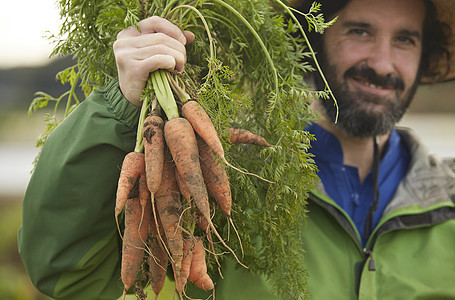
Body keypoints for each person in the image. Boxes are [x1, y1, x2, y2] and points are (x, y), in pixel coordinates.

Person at [18, 0, 455, 299]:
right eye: (360, 31)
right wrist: (123, 105)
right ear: (312, 43)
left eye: (405, 39)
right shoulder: (235, 179)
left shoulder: (449, 204)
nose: (382, 62)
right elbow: (66, 272)